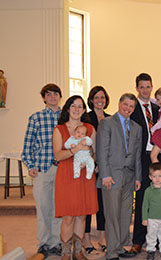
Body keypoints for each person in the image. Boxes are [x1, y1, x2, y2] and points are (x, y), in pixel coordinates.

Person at [96, 93, 142, 260]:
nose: (128, 108)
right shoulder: (107, 123)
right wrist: (105, 175)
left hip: (129, 177)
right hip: (112, 176)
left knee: (125, 214)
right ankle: (112, 251)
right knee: (112, 214)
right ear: (119, 103)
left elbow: (137, 154)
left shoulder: (137, 128)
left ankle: (121, 246)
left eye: (131, 106)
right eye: (126, 105)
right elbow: (102, 150)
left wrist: (138, 177)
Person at [129, 73, 161, 255]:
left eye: (148, 86)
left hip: (160, 155)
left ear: (152, 87)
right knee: (142, 199)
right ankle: (139, 239)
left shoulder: (158, 106)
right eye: (142, 87)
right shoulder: (131, 108)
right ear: (137, 88)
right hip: (142, 157)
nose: (145, 90)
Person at [53, 95, 98, 260]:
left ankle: (78, 251)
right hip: (67, 174)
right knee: (68, 215)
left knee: (82, 214)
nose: (77, 109)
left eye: (80, 106)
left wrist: (89, 161)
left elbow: (94, 153)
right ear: (67, 108)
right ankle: (65, 253)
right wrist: (75, 150)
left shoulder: (90, 128)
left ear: (84, 110)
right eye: (73, 106)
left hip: (85, 175)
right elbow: (58, 155)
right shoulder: (59, 130)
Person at [21, 83, 63, 258]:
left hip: (62, 171)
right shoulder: (36, 118)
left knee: (58, 209)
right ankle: (44, 243)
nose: (53, 97)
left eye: (56, 94)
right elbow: (27, 146)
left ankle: (56, 242)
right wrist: (31, 165)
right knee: (43, 208)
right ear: (44, 98)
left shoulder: (65, 117)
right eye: (49, 94)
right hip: (42, 170)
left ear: (60, 97)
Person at [83, 86, 110, 254]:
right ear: (91, 100)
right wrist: (93, 164)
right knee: (87, 203)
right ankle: (86, 238)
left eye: (103, 97)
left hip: (105, 168)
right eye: (97, 97)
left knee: (102, 204)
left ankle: (102, 237)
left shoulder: (111, 118)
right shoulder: (85, 118)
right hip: (89, 167)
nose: (100, 100)